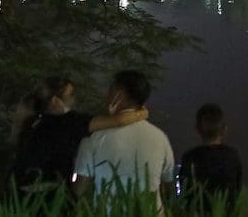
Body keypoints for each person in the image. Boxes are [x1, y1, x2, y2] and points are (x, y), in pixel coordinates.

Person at [10, 77, 148, 192]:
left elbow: (81, 181)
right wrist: (142, 113)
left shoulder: (32, 122)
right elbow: (120, 120)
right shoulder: (72, 122)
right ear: (55, 101)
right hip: (48, 198)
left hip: (18, 195)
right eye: (71, 95)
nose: (74, 99)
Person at [73, 71, 174, 213]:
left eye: (110, 90)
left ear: (118, 94)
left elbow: (79, 189)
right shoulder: (160, 137)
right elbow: (168, 185)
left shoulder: (94, 137)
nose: (106, 95)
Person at [179, 104, 243, 211]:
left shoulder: (190, 158)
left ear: (197, 130)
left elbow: (185, 192)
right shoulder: (232, 155)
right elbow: (237, 188)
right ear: (224, 130)